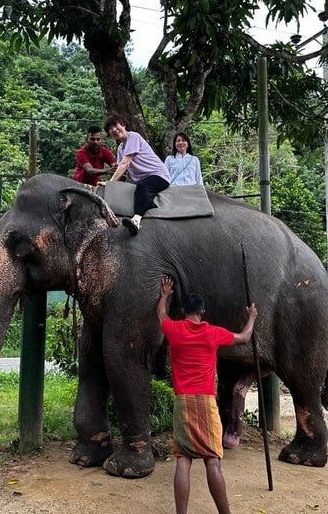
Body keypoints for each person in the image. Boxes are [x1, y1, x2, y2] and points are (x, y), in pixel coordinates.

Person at [157, 276, 257, 514]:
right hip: (206, 402)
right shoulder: (212, 332)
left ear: (183, 311)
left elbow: (161, 315)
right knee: (212, 459)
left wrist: (164, 295)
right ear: (202, 311)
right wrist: (252, 316)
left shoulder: (174, 330)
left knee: (183, 459)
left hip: (183, 402)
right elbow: (244, 338)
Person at [104, 114, 171, 235]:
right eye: (110, 128)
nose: (114, 129)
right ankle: (147, 204)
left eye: (115, 125)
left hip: (158, 175)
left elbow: (124, 164)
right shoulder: (120, 148)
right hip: (140, 180)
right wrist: (114, 188)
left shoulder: (133, 137)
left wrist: (109, 183)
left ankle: (136, 220)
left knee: (143, 187)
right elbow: (122, 171)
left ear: (123, 124)